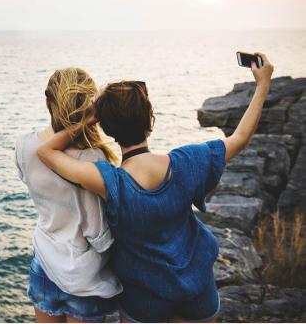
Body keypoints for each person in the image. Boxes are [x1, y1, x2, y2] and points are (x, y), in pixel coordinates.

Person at [36, 54, 274, 322]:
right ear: (150, 119)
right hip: (198, 292)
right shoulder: (188, 163)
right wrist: (263, 84)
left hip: (144, 301)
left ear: (108, 129)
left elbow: (45, 152)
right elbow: (240, 138)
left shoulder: (109, 182)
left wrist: (90, 119)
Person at [15, 68, 122, 322]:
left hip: (43, 263)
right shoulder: (92, 158)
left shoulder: (24, 145)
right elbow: (97, 232)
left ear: (47, 102)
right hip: (84, 276)